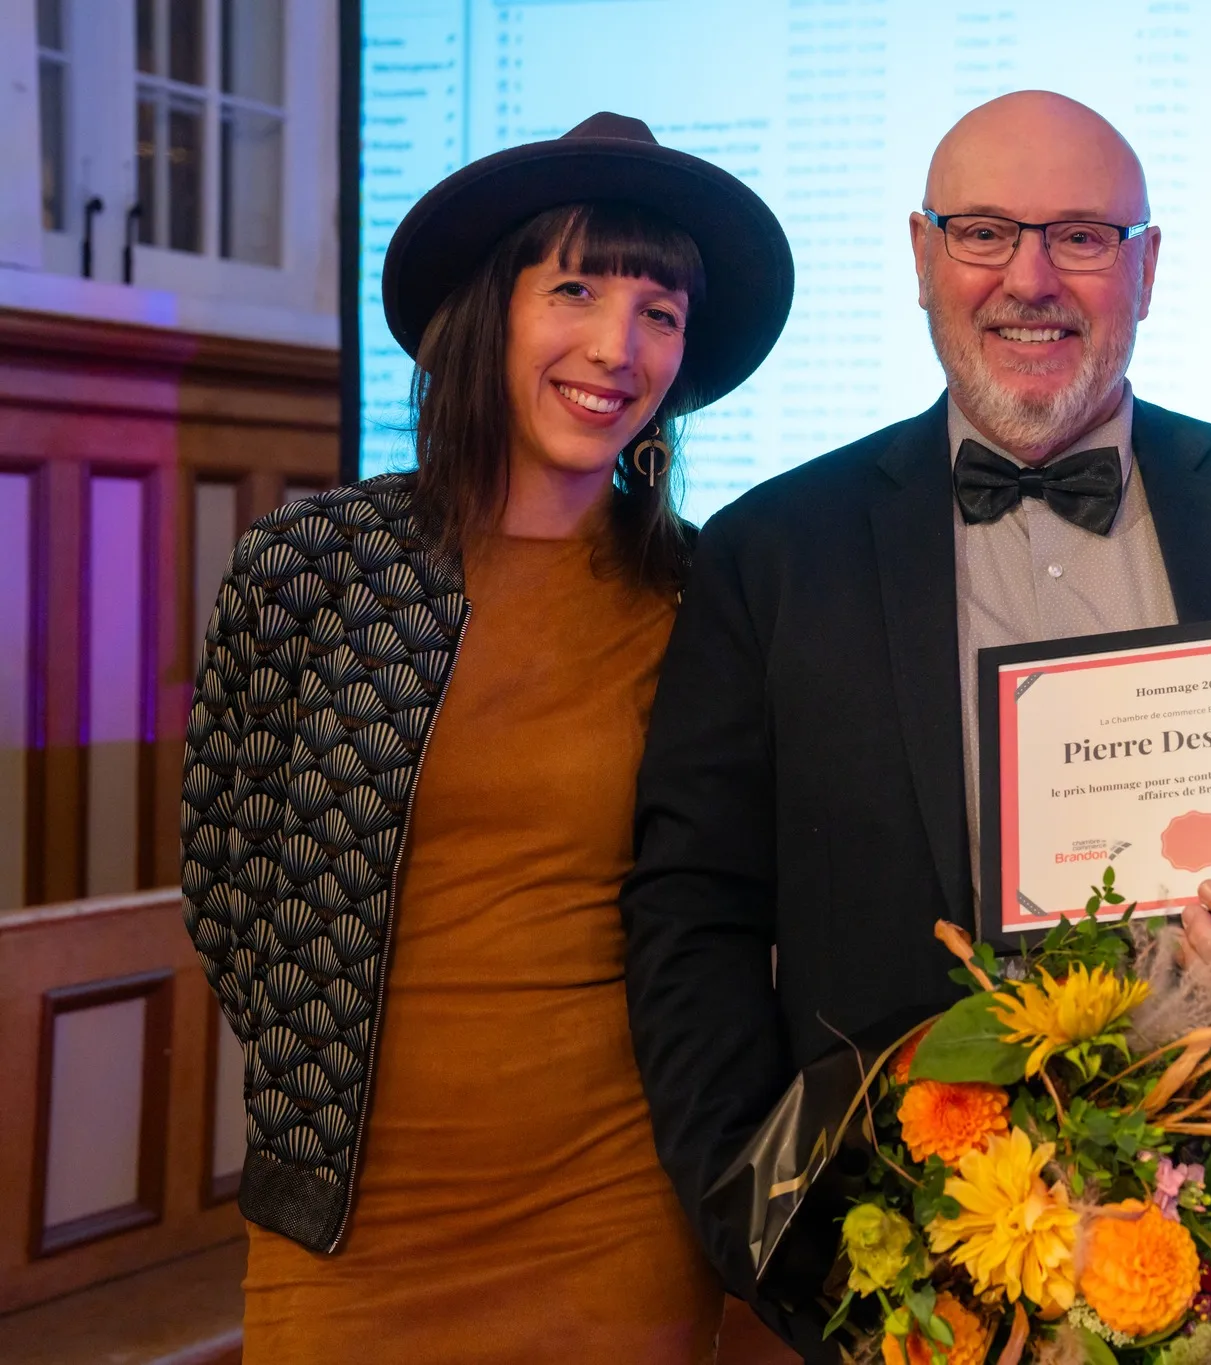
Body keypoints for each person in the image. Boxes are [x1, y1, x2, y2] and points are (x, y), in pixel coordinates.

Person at [621, 90, 1211, 1361]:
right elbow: (694, 914)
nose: (1030, 280)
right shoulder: (775, 555)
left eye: (1080, 237)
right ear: (917, 257)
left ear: (1146, 268)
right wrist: (769, 1225)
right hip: (906, 1283)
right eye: (984, 233)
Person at [178, 113, 793, 1362]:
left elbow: (737, 899)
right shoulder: (312, 568)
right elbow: (225, 876)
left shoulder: (704, 598)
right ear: (487, 311)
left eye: (660, 310)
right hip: (347, 1220)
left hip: (615, 1207)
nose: (617, 348)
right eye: (573, 287)